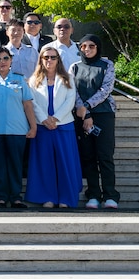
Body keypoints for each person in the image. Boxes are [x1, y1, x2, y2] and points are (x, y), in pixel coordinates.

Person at [25, 45, 83, 208]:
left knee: (65, 162)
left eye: (53, 57)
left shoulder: (67, 78)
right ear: (41, 60)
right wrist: (44, 119)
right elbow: (32, 102)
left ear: (58, 60)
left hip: (63, 126)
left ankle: (66, 198)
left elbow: (70, 101)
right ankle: (47, 197)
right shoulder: (33, 79)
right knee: (45, 163)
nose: (49, 60)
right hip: (42, 127)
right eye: (46, 57)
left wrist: (55, 119)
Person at [0, 47, 38, 208]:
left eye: (5, 58)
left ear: (11, 60)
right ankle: (0, 197)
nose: (2, 62)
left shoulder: (20, 79)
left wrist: (33, 126)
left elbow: (28, 104)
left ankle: (15, 196)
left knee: (15, 165)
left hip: (17, 129)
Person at [72, 34, 119, 209]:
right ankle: (93, 194)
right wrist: (83, 111)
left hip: (103, 113)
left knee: (105, 155)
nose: (87, 49)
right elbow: (73, 90)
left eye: (92, 46)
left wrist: (87, 106)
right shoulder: (74, 67)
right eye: (84, 46)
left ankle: (110, 195)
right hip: (82, 115)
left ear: (98, 47)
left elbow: (106, 89)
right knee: (88, 156)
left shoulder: (107, 65)